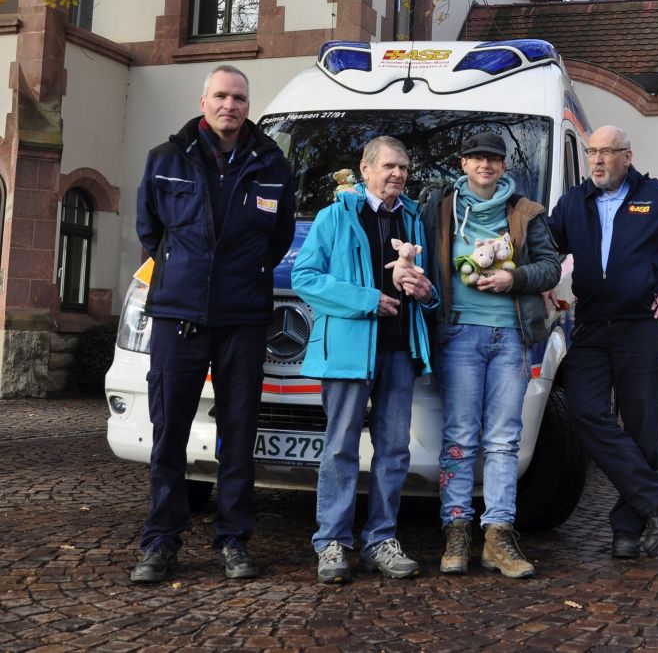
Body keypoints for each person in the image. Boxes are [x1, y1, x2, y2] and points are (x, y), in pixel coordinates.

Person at [131, 65, 295, 584]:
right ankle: (161, 540)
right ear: (204, 101)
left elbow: (279, 237)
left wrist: (238, 276)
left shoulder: (272, 163)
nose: (231, 105)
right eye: (222, 96)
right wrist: (187, 269)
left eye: (240, 97)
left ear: (249, 104)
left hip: (243, 320)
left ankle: (233, 540)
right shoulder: (166, 159)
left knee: (238, 434)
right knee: (169, 433)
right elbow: (150, 231)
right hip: (178, 317)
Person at [547, 125, 658, 559]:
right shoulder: (573, 202)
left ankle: (628, 526)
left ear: (628, 155)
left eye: (607, 152)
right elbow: (544, 245)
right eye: (592, 153)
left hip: (643, 325)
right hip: (591, 326)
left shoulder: (656, 196)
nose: (598, 160)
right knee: (584, 411)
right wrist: (544, 280)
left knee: (642, 427)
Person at [292, 136, 439, 584]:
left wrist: (427, 294)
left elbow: (430, 293)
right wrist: (367, 299)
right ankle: (332, 541)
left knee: (394, 450)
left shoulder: (414, 219)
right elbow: (305, 277)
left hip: (399, 352)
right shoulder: (334, 216)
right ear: (366, 168)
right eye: (390, 166)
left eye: (404, 169)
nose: (397, 175)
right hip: (349, 354)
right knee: (340, 447)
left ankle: (381, 540)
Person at [421, 132, 561, 579]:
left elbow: (550, 267)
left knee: (503, 438)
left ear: (503, 167)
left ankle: (498, 534)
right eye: (478, 157)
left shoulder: (525, 212)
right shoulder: (439, 209)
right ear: (463, 163)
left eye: (494, 159)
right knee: (460, 437)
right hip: (459, 335)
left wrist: (513, 279)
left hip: (510, 337)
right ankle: (456, 531)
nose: (486, 165)